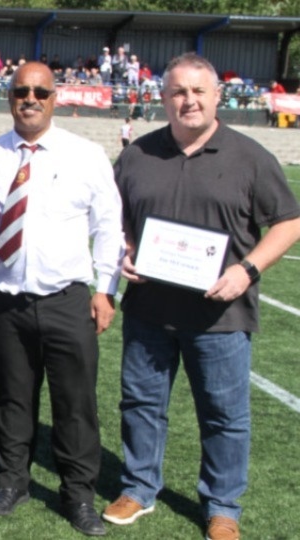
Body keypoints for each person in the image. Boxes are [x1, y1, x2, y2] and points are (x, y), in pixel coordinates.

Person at [103, 52, 300, 540]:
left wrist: (248, 269)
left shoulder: (250, 156)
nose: (188, 100)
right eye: (178, 92)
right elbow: (114, 218)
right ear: (164, 98)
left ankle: (222, 506)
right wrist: (125, 248)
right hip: (149, 310)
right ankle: (139, 488)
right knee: (141, 404)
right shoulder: (137, 154)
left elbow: (289, 222)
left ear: (217, 96)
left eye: (197, 91)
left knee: (224, 415)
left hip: (221, 315)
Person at [0, 61, 123, 538]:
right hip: (5, 299)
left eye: (40, 91)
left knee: (75, 403)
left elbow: (108, 227)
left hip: (68, 299)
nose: (30, 99)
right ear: (9, 96)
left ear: (55, 98)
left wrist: (106, 290)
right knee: (10, 400)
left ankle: (78, 495)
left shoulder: (87, 154)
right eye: (21, 91)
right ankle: (11, 482)